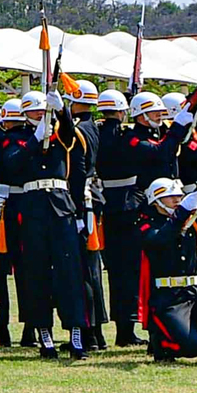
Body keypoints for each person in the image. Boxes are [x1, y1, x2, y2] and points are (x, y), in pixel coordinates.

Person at [97, 90, 192, 346]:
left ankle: (134, 327)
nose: (159, 117)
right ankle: (126, 329)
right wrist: (179, 127)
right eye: (154, 112)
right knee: (127, 271)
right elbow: (160, 152)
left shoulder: (130, 133)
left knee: (134, 271)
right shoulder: (128, 137)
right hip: (128, 208)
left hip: (133, 204)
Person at [13, 89, 91, 359]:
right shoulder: (18, 137)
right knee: (37, 273)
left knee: (70, 272)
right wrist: (34, 140)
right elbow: (12, 164)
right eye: (34, 110)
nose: (39, 114)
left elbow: (70, 136)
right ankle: (44, 333)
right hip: (33, 207)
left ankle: (76, 333)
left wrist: (62, 112)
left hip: (60, 206)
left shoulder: (60, 133)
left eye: (42, 109)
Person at [138, 177, 197, 364]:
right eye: (170, 196)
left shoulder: (188, 221)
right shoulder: (148, 225)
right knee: (192, 348)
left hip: (193, 292)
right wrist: (181, 213)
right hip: (169, 298)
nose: (177, 199)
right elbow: (161, 240)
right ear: (156, 201)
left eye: (179, 196)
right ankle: (162, 343)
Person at [0, 97, 27, 347]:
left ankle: (2, 330)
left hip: (4, 208)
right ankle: (31, 328)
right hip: (26, 206)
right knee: (27, 272)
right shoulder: (32, 137)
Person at [68, 80, 108, 349]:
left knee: (84, 270)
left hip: (81, 200)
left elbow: (78, 171)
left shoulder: (79, 130)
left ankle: (90, 332)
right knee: (90, 269)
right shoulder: (93, 126)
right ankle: (96, 332)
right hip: (92, 196)